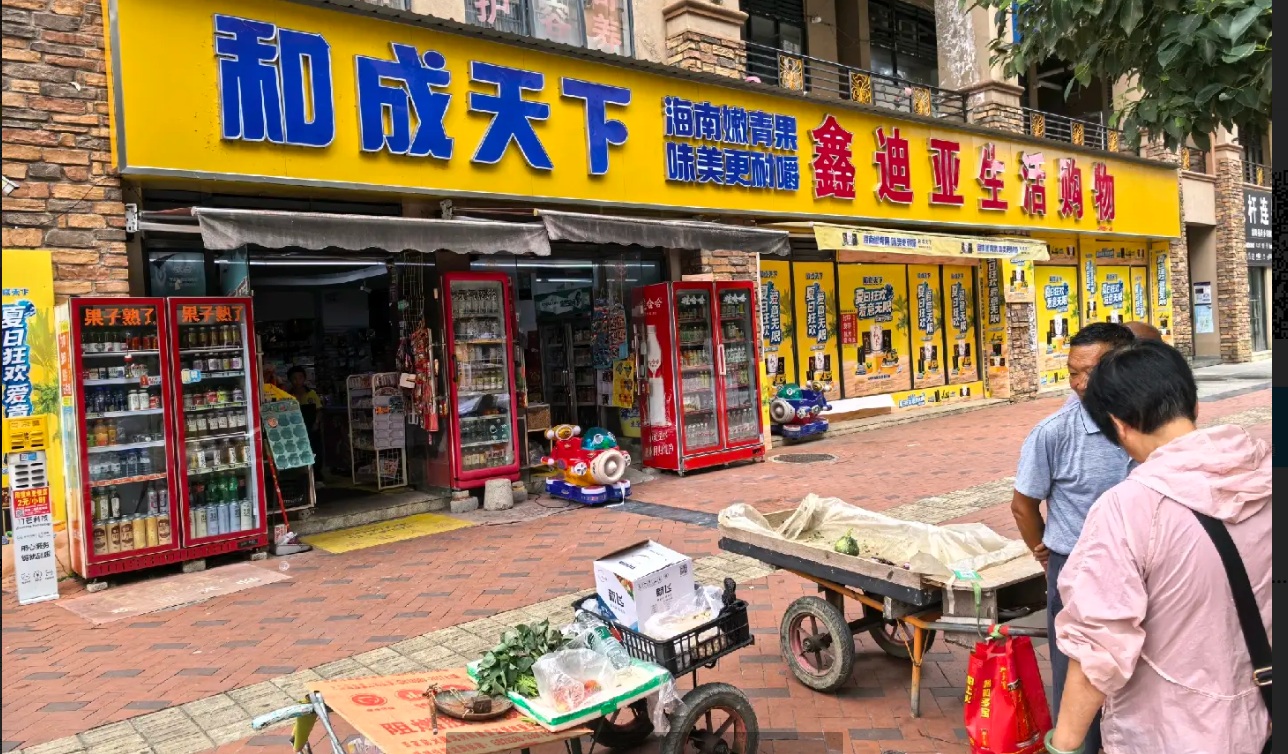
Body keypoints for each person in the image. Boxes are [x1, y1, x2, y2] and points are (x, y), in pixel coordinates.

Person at [1046, 340, 1271, 754]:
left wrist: (1064, 744)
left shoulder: (1129, 508)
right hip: (1261, 719)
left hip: (1168, 731)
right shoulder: (1265, 476)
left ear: (1118, 426)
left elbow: (1100, 645)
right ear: (1193, 405)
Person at [1010, 321, 1135, 754]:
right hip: (1076, 572)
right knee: (1078, 683)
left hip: (1142, 569)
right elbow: (1023, 506)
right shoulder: (1054, 432)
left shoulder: (1148, 422)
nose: (1080, 384)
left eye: (1090, 372)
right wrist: (1045, 552)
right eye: (1071, 372)